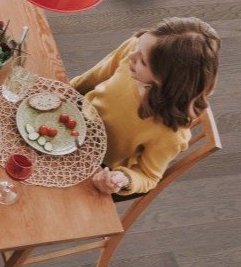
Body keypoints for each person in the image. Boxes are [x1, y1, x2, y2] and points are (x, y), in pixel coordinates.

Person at [71, 17, 220, 196]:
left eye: (143, 61)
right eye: (138, 48)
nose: (132, 56)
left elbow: (148, 176)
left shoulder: (170, 133)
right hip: (72, 120)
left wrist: (123, 179)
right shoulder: (134, 51)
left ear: (165, 79)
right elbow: (90, 80)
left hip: (93, 166)